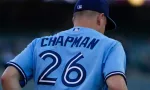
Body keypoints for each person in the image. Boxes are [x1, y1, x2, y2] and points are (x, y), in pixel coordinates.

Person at [1, 0, 128, 90]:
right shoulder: (111, 46)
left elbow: (7, 77)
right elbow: (116, 86)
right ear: (101, 19)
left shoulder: (39, 43)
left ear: (74, 19)